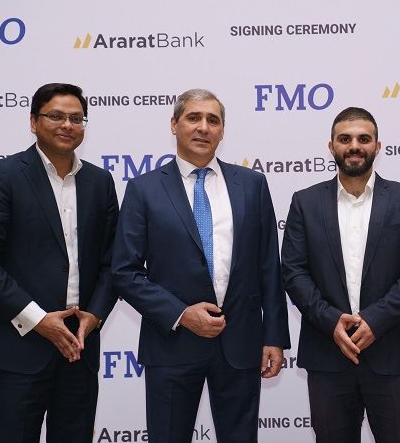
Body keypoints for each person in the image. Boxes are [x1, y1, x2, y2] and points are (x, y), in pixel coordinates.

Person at [111, 88, 290, 443]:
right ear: (174, 124)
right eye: (193, 118)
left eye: (213, 120)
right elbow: (124, 272)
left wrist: (274, 336)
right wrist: (181, 314)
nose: (203, 127)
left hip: (241, 345)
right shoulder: (144, 189)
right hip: (172, 345)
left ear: (222, 131)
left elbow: (269, 266)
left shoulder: (252, 185)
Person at [0, 83, 120, 443]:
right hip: (20, 345)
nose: (67, 125)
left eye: (76, 118)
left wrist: (94, 316)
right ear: (33, 122)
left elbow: (113, 262)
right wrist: (37, 319)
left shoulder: (99, 181)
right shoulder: (4, 175)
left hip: (79, 347)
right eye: (56, 116)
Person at [282, 107, 400, 443]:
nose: (354, 146)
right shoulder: (305, 202)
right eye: (345, 139)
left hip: (392, 356)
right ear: (331, 146)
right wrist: (330, 321)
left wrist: (375, 321)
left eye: (364, 139)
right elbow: (293, 271)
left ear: (378, 146)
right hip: (328, 356)